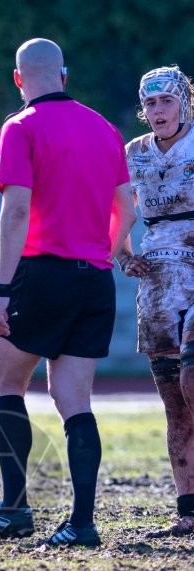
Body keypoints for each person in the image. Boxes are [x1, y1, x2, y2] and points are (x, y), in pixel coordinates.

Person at [0, 39, 137, 547]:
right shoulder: (106, 128)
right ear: (64, 73)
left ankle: (15, 509)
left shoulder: (20, 126)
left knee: (5, 381)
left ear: (18, 79)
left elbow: (16, 211)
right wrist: (96, 253)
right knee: (74, 401)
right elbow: (127, 208)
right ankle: (82, 523)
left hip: (41, 274)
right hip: (95, 278)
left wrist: (1, 289)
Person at [119, 65, 194, 538]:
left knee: (193, 378)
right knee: (174, 403)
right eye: (150, 104)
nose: (157, 111)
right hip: (159, 279)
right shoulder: (134, 153)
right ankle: (188, 510)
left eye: (166, 101)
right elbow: (117, 210)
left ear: (184, 102)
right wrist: (122, 254)